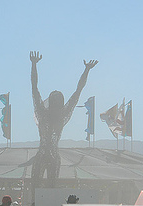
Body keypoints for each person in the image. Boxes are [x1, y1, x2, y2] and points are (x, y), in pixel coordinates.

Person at [30, 51, 98, 190]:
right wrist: (86, 70)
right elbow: (77, 91)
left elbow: (35, 88)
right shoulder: (58, 115)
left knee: (43, 188)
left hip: (45, 155)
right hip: (51, 155)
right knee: (43, 188)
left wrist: (34, 64)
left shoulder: (46, 114)